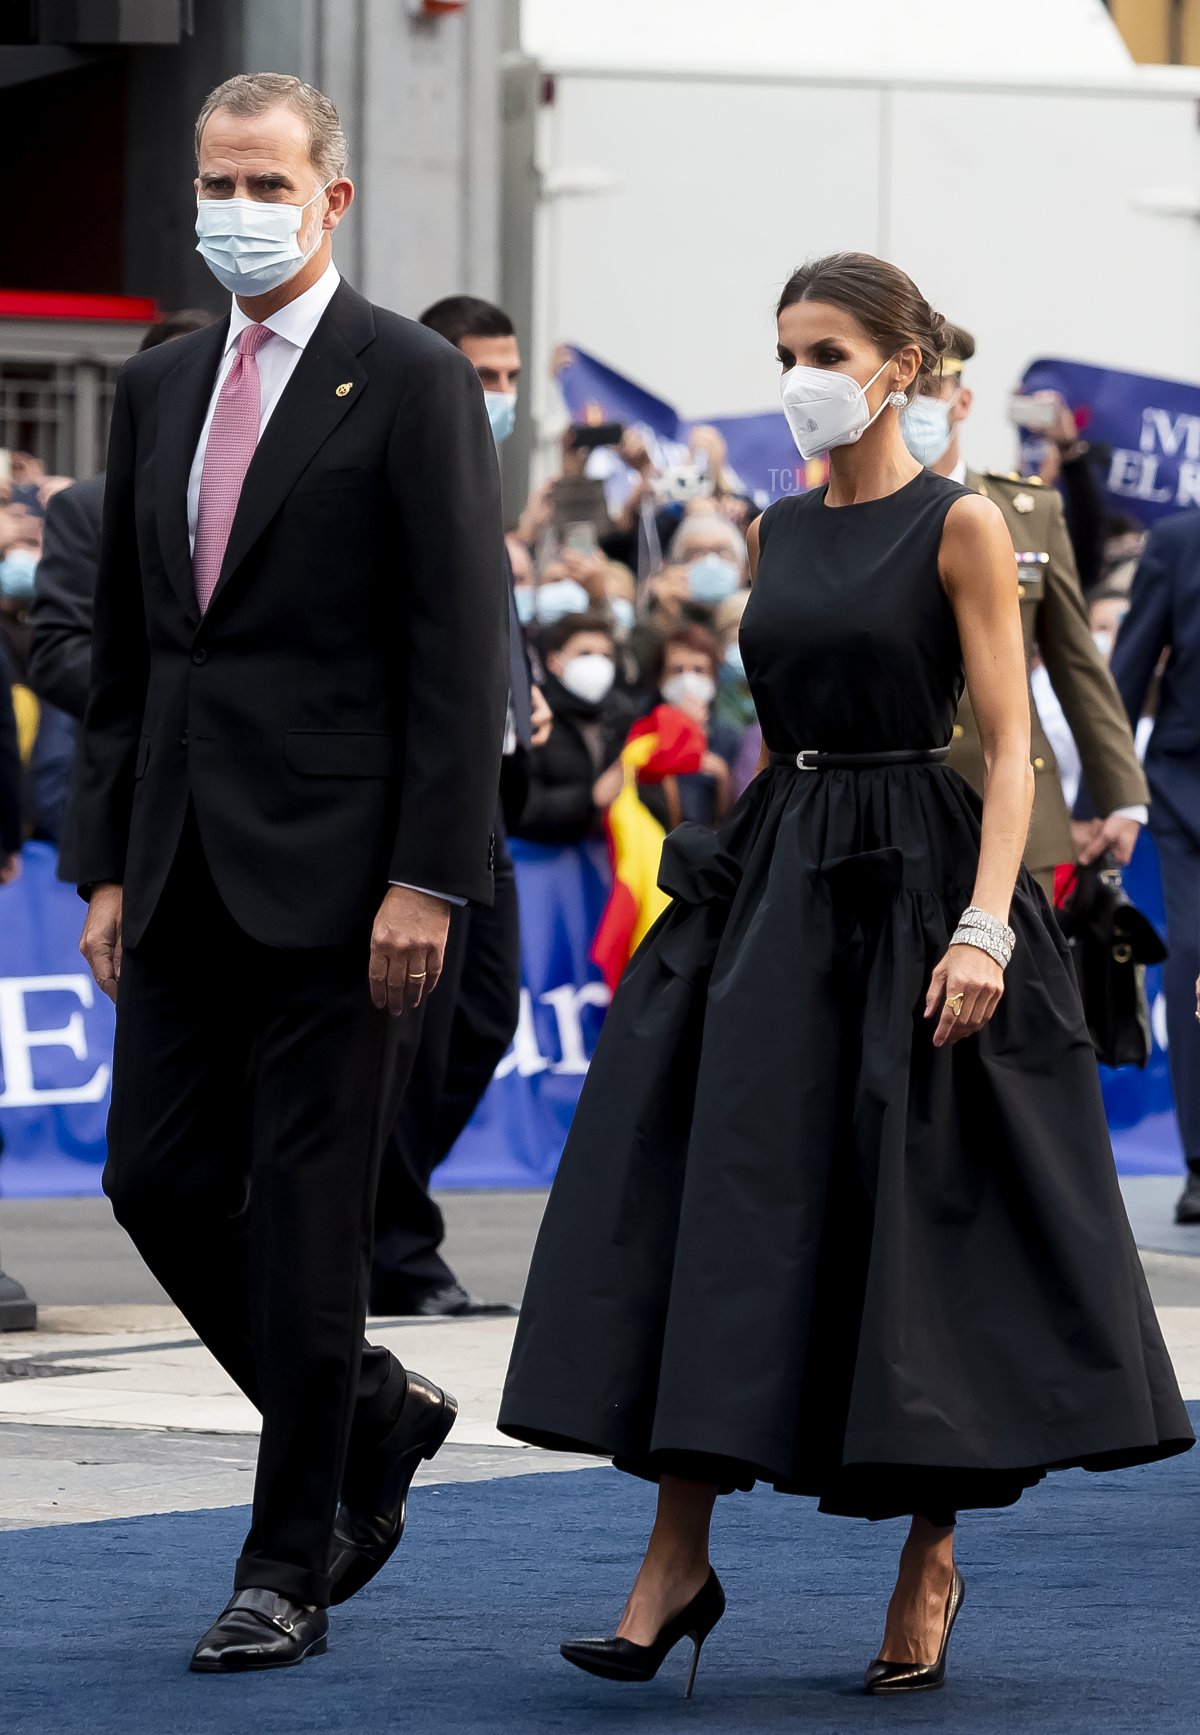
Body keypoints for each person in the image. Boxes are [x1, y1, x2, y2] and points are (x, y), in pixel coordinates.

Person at [499, 251, 1190, 1699]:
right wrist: (735, 880)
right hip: (788, 874)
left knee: (919, 1219)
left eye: (826, 347)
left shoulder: (963, 529)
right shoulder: (772, 528)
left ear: (899, 363)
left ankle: (929, 1551)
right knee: (729, 1200)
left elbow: (1010, 748)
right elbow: (777, 729)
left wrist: (990, 923)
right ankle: (672, 1558)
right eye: (784, 347)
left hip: (927, 876)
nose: (800, 373)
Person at [75, 74, 508, 1671]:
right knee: (154, 1181)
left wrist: (427, 878)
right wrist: (107, 868)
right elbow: (136, 650)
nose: (232, 206)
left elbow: (457, 655)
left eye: (264, 180)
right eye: (214, 178)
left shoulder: (406, 380)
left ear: (332, 198)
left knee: (313, 1220)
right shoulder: (161, 381)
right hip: (180, 866)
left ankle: (287, 1559)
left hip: (348, 885)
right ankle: (374, 1408)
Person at [370, 292, 550, 1319]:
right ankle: (392, 1241)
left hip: (485, 789)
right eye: (483, 375)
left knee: (485, 1015)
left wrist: (527, 703)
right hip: (416, 793)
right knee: (417, 1031)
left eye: (511, 377)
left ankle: (372, 1213)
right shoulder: (402, 470)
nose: (501, 396)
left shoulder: (480, 478)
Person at [903, 323, 1148, 899]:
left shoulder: (1025, 512)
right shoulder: (859, 516)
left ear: (962, 401)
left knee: (1013, 988)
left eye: (931, 390)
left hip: (1008, 809)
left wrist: (1121, 794)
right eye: (905, 390)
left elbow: (1075, 660)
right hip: (895, 809)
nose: (917, 407)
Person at [28, 311, 214, 884]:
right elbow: (59, 654)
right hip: (138, 800)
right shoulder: (89, 508)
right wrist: (183, 698)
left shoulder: (277, 499)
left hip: (263, 810)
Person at [1104, 510, 1200, 1224]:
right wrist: (1096, 799)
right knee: (1193, 953)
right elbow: (1128, 666)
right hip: (1184, 786)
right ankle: (1198, 1163)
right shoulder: (1176, 541)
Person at [513, 613, 634, 846]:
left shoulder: (623, 716)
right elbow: (522, 806)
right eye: (585, 653)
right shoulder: (536, 717)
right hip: (544, 861)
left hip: (607, 862)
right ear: (555, 662)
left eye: (606, 655)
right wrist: (590, 798)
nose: (597, 664)